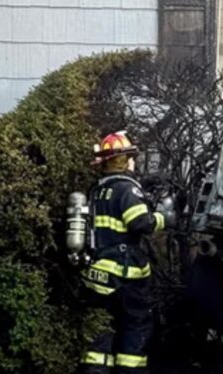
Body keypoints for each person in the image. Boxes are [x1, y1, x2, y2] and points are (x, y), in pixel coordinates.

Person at [79, 131, 166, 374]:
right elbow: (139, 223)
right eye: (130, 157)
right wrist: (163, 218)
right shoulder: (127, 189)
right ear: (124, 160)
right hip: (125, 275)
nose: (133, 162)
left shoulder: (96, 191)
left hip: (97, 275)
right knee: (135, 327)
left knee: (99, 335)